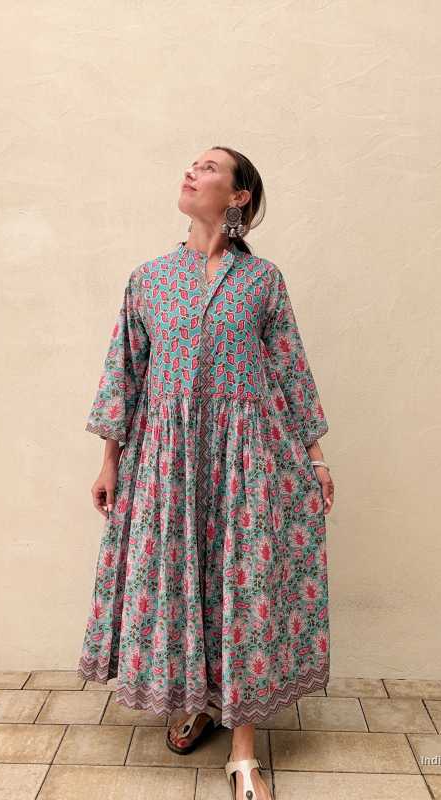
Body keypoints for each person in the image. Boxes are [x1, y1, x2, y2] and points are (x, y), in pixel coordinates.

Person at [77, 146, 335, 800]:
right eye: (191, 165)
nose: (191, 171)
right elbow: (124, 371)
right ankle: (197, 699)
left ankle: (243, 751)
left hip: (247, 457)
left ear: (239, 195)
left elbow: (289, 367)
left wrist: (315, 458)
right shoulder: (148, 278)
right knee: (181, 582)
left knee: (242, 586)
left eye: (209, 167)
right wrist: (108, 460)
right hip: (166, 459)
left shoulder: (262, 281)